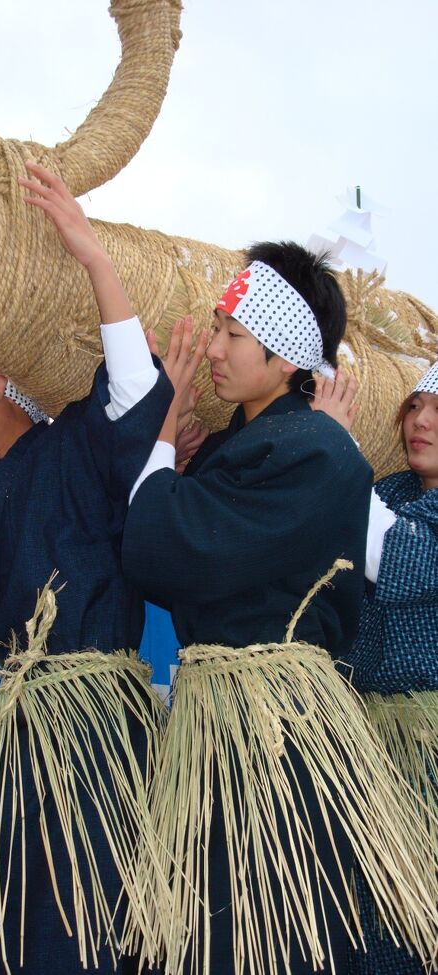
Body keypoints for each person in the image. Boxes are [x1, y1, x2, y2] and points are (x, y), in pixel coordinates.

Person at [0, 163, 203, 975]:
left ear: (6, 375)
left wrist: (94, 259)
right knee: (7, 919)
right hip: (26, 729)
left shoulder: (78, 441)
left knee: (82, 921)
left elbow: (137, 393)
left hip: (97, 727)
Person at [121, 246, 438, 974]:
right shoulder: (256, 447)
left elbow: (163, 548)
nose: (214, 347)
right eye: (217, 326)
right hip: (221, 729)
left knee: (261, 931)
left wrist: (163, 422)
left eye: (233, 334)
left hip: (274, 740)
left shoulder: (318, 454)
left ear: (286, 351)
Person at [312, 360, 438, 975]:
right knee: (362, 915)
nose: (420, 421)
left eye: (437, 411)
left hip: (426, 752)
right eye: (414, 406)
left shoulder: (386, 508)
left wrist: (334, 446)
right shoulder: (388, 491)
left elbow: (392, 554)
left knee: (414, 915)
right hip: (366, 743)